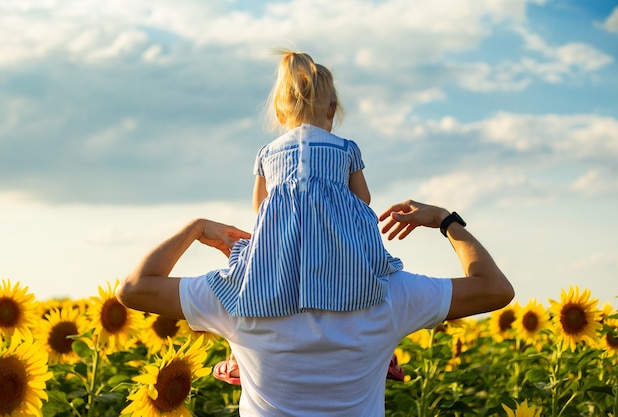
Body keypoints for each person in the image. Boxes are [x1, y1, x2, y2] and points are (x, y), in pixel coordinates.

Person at [116, 199, 515, 416]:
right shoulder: (392, 294)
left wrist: (197, 228)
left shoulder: (234, 296)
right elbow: (494, 289)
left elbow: (134, 289)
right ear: (355, 228)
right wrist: (446, 221)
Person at [208, 50, 403, 383]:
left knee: (243, 281)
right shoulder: (345, 149)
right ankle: (383, 353)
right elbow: (364, 199)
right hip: (337, 247)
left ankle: (239, 355)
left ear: (281, 112)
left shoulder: (267, 154)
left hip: (282, 248)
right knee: (377, 280)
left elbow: (259, 206)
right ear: (331, 109)